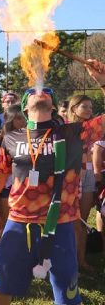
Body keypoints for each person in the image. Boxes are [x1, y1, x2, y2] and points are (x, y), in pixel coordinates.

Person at [0, 59, 105, 305]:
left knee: (69, 295)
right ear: (25, 107)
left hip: (62, 225)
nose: (40, 93)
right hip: (19, 224)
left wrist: (102, 79)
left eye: (46, 94)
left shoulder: (73, 133)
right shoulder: (11, 138)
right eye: (33, 93)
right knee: (2, 282)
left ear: (53, 107)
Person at [65, 94, 97, 271]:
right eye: (85, 106)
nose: (89, 110)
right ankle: (69, 262)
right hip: (72, 176)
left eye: (91, 107)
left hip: (88, 175)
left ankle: (81, 261)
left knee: (82, 221)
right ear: (74, 108)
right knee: (71, 222)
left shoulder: (93, 128)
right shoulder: (66, 129)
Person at [0, 105, 26, 242]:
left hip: (25, 189)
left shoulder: (31, 138)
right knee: (8, 224)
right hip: (5, 187)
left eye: (25, 118)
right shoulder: (1, 141)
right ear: (10, 120)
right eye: (19, 118)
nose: (23, 122)